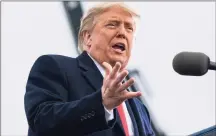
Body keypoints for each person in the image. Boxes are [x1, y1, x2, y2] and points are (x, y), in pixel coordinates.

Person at [24, 2, 155, 136]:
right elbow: (41, 122)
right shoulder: (55, 67)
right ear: (88, 38)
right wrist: (102, 105)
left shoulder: (140, 108)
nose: (122, 33)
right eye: (112, 24)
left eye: (129, 28)